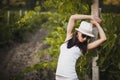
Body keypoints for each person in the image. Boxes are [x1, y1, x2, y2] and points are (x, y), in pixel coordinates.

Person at [55, 14, 107, 80]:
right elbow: (72, 17)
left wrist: (97, 24)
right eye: (84, 35)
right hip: (59, 76)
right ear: (78, 32)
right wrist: (91, 17)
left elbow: (103, 38)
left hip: (70, 77)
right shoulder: (69, 38)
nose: (85, 39)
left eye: (88, 37)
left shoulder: (84, 47)